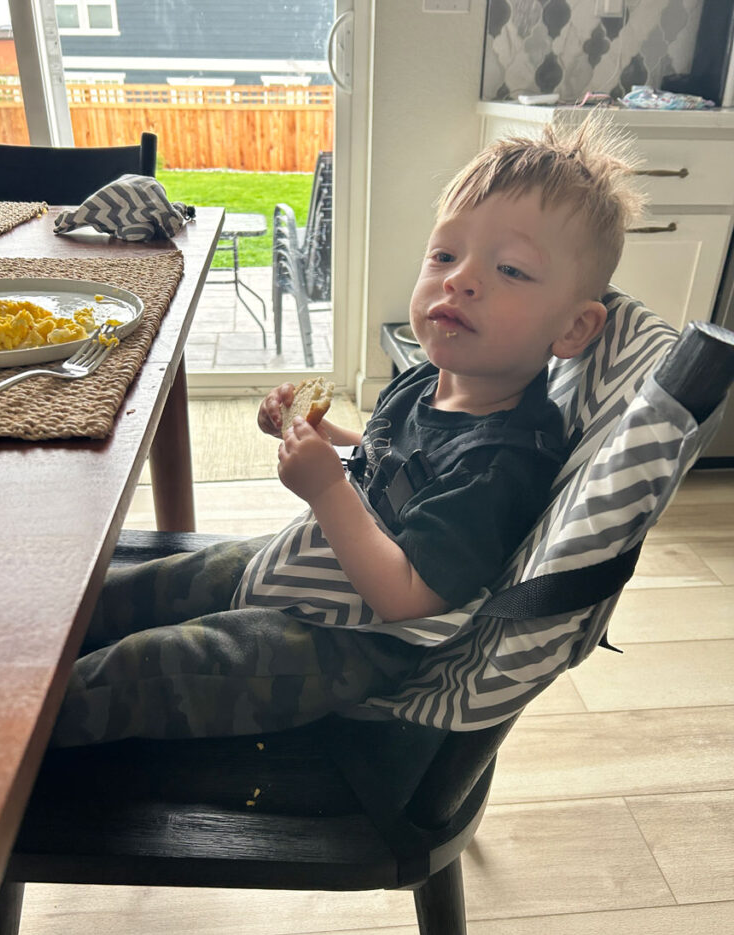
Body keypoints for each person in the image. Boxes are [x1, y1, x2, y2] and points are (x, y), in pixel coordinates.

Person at [51, 115, 645, 747]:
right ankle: (33, 638)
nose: (460, 279)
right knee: (154, 583)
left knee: (154, 669)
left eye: (512, 271)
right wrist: (321, 434)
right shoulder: (431, 380)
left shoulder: (501, 464)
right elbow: (396, 466)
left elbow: (408, 599)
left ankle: (15, 729)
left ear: (574, 330)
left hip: (351, 641)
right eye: (445, 254)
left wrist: (327, 491)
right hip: (313, 564)